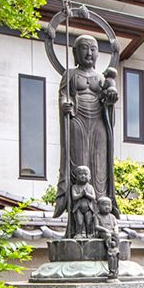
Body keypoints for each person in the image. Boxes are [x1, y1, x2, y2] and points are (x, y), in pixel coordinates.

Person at [54, 35, 119, 229]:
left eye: (93, 48)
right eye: (84, 48)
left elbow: (108, 101)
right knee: (79, 164)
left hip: (98, 122)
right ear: (75, 52)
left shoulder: (101, 78)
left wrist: (110, 100)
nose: (89, 53)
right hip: (77, 120)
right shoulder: (70, 75)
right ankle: (77, 224)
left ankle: (101, 216)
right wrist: (64, 106)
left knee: (100, 169)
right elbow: (63, 96)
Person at [94, 196, 119, 279]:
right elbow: (96, 226)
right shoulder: (97, 216)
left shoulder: (112, 217)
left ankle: (116, 247)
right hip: (102, 233)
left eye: (109, 205)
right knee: (108, 235)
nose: (107, 207)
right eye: (105, 205)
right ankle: (110, 247)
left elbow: (116, 225)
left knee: (117, 235)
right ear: (98, 206)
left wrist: (115, 230)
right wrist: (105, 230)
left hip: (112, 232)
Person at [70, 165, 96, 239]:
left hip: (89, 208)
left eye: (85, 174)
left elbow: (94, 197)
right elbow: (74, 197)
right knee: (79, 222)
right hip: (78, 208)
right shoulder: (75, 187)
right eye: (81, 174)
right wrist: (81, 194)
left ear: (89, 177)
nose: (83, 176)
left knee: (89, 222)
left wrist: (86, 194)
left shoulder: (90, 187)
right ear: (76, 176)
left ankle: (89, 233)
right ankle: (79, 233)